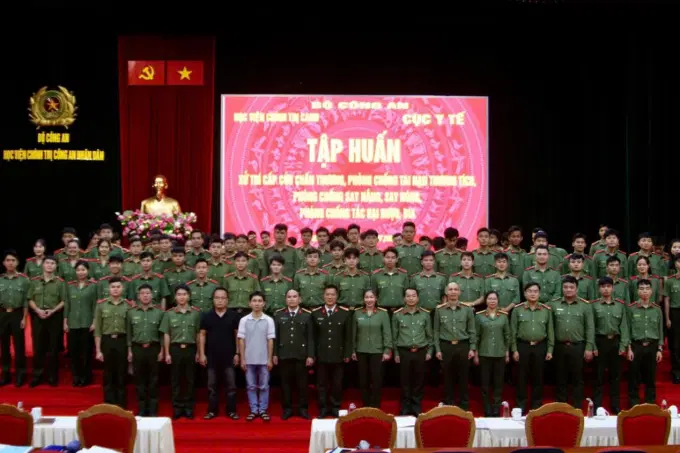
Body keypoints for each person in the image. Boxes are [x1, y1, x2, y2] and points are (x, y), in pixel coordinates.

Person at [549, 275, 594, 409]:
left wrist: (589, 347)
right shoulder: (554, 304)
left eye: (571, 287)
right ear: (562, 288)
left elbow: (590, 328)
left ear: (576, 289)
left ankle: (577, 407)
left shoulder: (585, 306)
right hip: (559, 346)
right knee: (560, 377)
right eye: (565, 287)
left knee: (577, 378)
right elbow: (550, 327)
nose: (568, 290)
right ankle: (561, 406)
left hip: (578, 346)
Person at [511, 282, 554, 414]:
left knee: (538, 377)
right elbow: (513, 332)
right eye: (530, 291)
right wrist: (514, 349)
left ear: (539, 294)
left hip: (540, 346)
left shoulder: (546, 310)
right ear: (525, 294)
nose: (533, 294)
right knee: (521, 377)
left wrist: (550, 349)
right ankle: (521, 405)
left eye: (535, 291)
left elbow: (550, 331)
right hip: (522, 346)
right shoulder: (517, 310)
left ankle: (536, 405)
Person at [199, 286, 241, 420]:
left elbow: (237, 336)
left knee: (231, 386)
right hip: (211, 357)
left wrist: (238, 353)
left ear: (227, 300)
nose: (220, 300)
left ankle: (231, 411)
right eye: (217, 298)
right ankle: (212, 411)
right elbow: (202, 335)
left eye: (223, 298)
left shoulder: (234, 316)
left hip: (229, 356)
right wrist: (201, 354)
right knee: (211, 386)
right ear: (213, 300)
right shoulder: (206, 316)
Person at [161, 284, 201, 419]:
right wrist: (167, 353)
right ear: (175, 297)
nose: (182, 297)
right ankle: (177, 407)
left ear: (189, 296)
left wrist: (199, 352)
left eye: (184, 294)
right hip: (175, 349)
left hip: (191, 349)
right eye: (179, 294)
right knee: (176, 379)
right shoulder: (169, 314)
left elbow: (198, 334)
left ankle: (189, 407)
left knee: (190, 379)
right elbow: (166, 334)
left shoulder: (195, 313)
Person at [434, 282, 476, 409]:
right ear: (446, 292)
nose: (453, 292)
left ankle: (464, 405)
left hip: (463, 346)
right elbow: (436, 331)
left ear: (459, 292)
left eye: (455, 289)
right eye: (450, 289)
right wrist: (437, 349)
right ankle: (449, 403)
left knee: (464, 377)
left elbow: (472, 330)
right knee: (447, 377)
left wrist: (472, 348)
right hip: (446, 346)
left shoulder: (467, 309)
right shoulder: (439, 310)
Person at [273, 289, 314, 419]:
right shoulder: (279, 315)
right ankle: (287, 409)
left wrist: (310, 355)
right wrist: (275, 354)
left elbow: (310, 337)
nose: (291, 299)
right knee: (285, 384)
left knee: (302, 384)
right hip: (284, 354)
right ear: (285, 299)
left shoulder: (307, 315)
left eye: (294, 296)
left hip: (301, 355)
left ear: (299, 299)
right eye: (289, 297)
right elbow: (276, 337)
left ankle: (303, 409)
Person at [312, 285, 352, 418]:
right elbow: (313, 337)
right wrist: (312, 354)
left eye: (333, 294)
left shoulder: (344, 313)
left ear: (337, 296)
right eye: (327, 294)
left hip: (338, 354)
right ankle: (323, 408)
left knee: (337, 383)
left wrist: (347, 353)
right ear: (323, 296)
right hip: (321, 354)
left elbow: (348, 337)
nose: (330, 297)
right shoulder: (316, 313)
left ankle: (335, 407)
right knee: (321, 384)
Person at [94, 277, 135, 407]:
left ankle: (121, 404)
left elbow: (130, 330)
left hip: (122, 341)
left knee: (121, 373)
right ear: (109, 289)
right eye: (113, 287)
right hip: (107, 341)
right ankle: (109, 403)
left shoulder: (128, 306)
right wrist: (98, 350)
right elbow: (98, 329)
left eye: (118, 287)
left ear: (122, 288)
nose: (115, 289)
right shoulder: (101, 305)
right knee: (108, 373)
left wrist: (130, 349)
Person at [392, 288, 433, 416]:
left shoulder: (425, 314)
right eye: (408, 296)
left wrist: (430, 351)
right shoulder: (397, 315)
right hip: (404, 352)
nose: (411, 298)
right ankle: (405, 406)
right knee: (404, 381)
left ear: (417, 298)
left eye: (413, 296)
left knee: (419, 381)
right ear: (404, 298)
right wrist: (396, 353)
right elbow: (394, 337)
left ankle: (416, 406)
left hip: (421, 351)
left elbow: (429, 336)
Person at [27, 255, 66, 387]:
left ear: (56, 266)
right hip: (38, 316)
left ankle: (52, 376)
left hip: (54, 316)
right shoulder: (34, 281)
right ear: (43, 265)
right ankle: (37, 375)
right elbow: (30, 299)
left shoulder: (60, 282)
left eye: (52, 263)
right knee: (38, 346)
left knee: (53, 347)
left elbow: (64, 301)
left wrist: (53, 311)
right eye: (47, 263)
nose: (49, 265)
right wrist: (37, 310)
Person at [591, 277, 629, 413]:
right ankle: (597, 405)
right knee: (598, 375)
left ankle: (615, 405)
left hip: (615, 342)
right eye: (603, 286)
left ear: (613, 288)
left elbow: (624, 326)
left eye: (608, 286)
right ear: (599, 289)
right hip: (600, 341)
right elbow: (591, 327)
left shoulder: (620, 305)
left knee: (615, 376)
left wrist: (623, 346)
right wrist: (593, 346)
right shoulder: (593, 305)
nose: (606, 289)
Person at [126, 284, 165, 416]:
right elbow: (129, 333)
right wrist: (129, 350)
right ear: (138, 296)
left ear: (152, 295)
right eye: (142, 293)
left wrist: (162, 350)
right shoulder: (131, 312)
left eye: (148, 293)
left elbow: (162, 334)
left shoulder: (159, 312)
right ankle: (142, 409)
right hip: (137, 348)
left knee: (154, 379)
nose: (145, 295)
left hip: (154, 348)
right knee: (139, 380)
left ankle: (153, 410)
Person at [238, 291, 276, 422]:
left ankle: (263, 410)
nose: (257, 303)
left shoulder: (268, 320)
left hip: (264, 359)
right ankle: (254, 410)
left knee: (264, 386)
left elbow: (270, 340)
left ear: (264, 303)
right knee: (251, 386)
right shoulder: (244, 320)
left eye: (260, 301)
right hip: (249, 359)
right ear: (249, 303)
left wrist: (269, 359)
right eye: (254, 301)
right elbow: (241, 340)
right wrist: (242, 359)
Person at [351, 289, 392, 408]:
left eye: (371, 297)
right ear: (363, 299)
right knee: (363, 380)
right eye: (367, 297)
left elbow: (387, 333)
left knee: (376, 380)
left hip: (377, 351)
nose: (369, 300)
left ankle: (375, 406)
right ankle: (366, 405)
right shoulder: (357, 313)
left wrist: (387, 350)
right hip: (361, 350)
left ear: (376, 299)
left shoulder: (383, 314)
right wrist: (353, 350)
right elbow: (354, 334)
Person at [627, 279, 663, 406]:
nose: (645, 291)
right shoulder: (631, 309)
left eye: (647, 288)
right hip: (636, 345)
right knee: (634, 376)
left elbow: (660, 330)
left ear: (651, 291)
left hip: (652, 346)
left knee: (650, 376)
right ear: (637, 291)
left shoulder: (657, 309)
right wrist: (629, 348)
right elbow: (627, 329)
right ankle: (634, 403)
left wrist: (660, 349)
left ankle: (650, 402)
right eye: (642, 289)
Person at [475, 291, 510, 416]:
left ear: (498, 300)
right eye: (490, 299)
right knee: (485, 384)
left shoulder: (503, 316)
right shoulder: (479, 316)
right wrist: (476, 353)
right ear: (486, 301)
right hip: (484, 353)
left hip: (499, 354)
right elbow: (476, 336)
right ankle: (487, 408)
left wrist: (507, 352)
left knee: (498, 384)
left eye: (494, 299)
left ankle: (496, 408)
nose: (492, 301)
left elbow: (507, 336)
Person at [63, 260, 97, 387]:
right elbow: (67, 304)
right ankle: (76, 376)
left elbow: (95, 305)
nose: (81, 272)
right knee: (74, 351)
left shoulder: (93, 286)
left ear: (88, 271)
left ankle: (86, 377)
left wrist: (94, 322)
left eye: (83, 270)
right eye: (78, 270)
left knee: (87, 352)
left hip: (87, 323)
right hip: (73, 323)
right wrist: (65, 321)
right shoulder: (70, 286)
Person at [0, 250, 30, 387]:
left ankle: (20, 374)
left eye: (13, 260)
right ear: (3, 263)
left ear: (17, 262)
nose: (10, 263)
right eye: (8, 260)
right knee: (4, 346)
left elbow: (25, 300)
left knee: (19, 346)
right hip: (2, 314)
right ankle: (5, 373)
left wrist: (24, 318)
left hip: (17, 314)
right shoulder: (0, 279)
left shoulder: (24, 280)